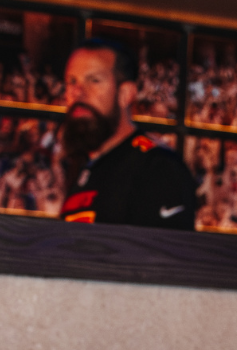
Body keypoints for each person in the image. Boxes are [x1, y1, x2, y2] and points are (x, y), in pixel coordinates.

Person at [59, 39, 197, 229]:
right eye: (71, 81)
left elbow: (167, 254)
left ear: (126, 94)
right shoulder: (84, 167)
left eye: (94, 81)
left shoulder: (156, 168)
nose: (77, 92)